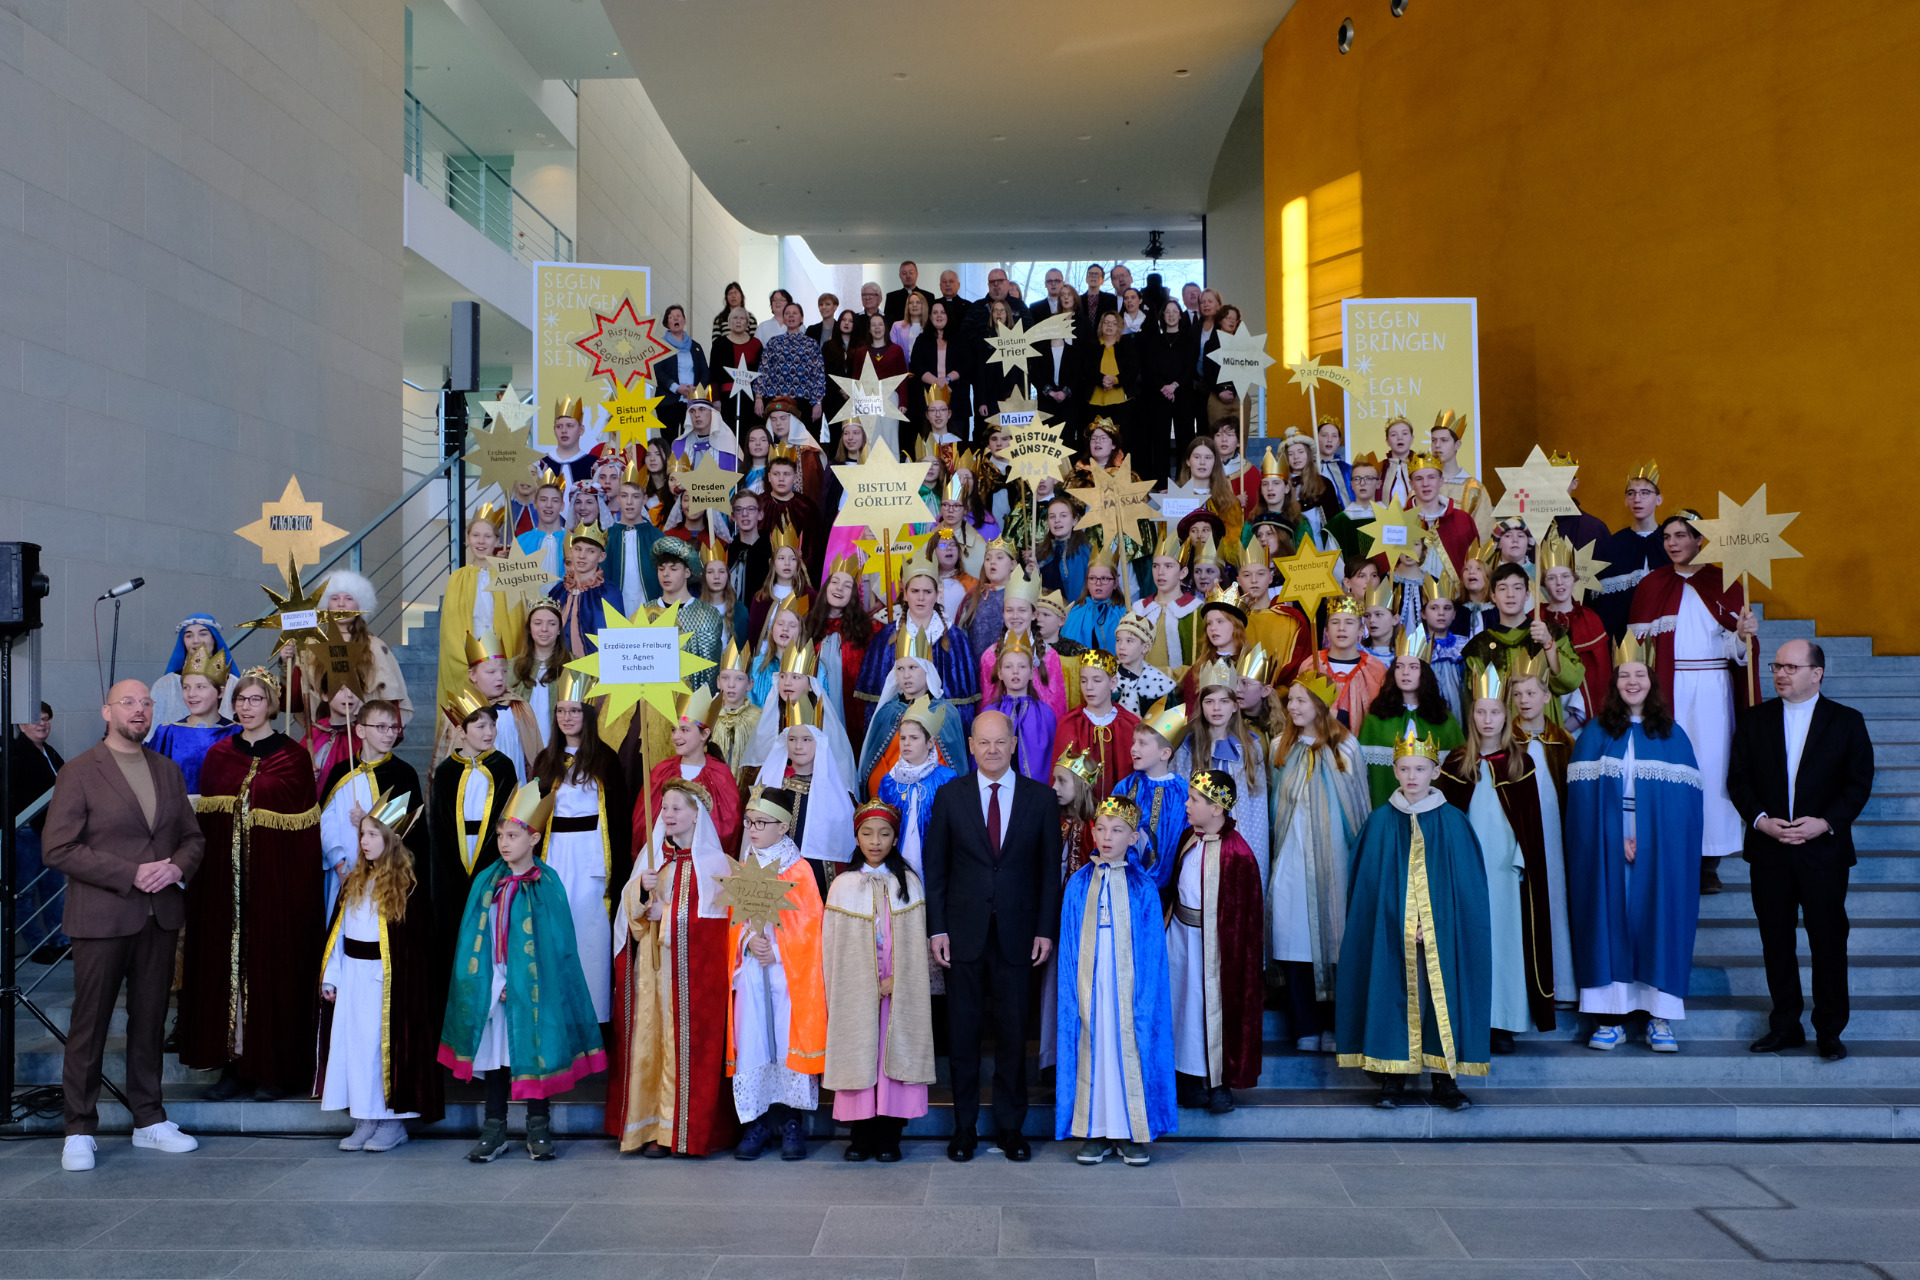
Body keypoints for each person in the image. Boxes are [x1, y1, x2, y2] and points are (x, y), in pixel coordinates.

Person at [41, 680, 203, 1172]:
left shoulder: (167, 770)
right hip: (103, 916)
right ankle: (78, 1129)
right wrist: (130, 874)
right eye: (128, 702)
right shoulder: (78, 771)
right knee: (89, 1026)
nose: (139, 710)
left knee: (150, 1021)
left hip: (159, 917)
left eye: (146, 703)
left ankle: (149, 1121)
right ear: (106, 711)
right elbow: (58, 848)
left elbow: (193, 839)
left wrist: (176, 867)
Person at [924, 710, 1063, 1161]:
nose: (992, 750)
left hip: (1019, 936)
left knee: (1011, 1034)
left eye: (1000, 742)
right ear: (970, 746)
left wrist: (1045, 930)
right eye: (983, 742)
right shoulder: (949, 796)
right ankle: (964, 1128)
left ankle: (1010, 1128)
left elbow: (1048, 874)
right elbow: (937, 869)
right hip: (962, 935)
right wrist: (937, 929)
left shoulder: (1040, 800)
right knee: (962, 1036)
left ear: (1014, 744)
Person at [178, 668, 322, 1102]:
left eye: (256, 699)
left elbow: (304, 839)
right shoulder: (219, 756)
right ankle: (233, 1066)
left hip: (274, 889)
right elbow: (204, 831)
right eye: (240, 699)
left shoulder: (294, 757)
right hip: (223, 891)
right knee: (225, 971)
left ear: (271, 705)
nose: (246, 706)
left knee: (272, 970)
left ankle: (273, 1069)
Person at [441, 782, 606, 1161]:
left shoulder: (547, 884)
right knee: (496, 1061)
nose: (503, 842)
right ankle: (494, 1128)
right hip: (493, 990)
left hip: (535, 992)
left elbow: (556, 947)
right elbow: (475, 939)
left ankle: (538, 1125)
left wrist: (522, 983)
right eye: (500, 835)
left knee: (537, 1053)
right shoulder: (486, 882)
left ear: (533, 838)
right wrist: (496, 983)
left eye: (512, 835)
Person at [1728, 639, 1876, 1060]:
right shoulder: (1755, 720)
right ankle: (1785, 1025)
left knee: (1828, 940)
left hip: (1823, 852)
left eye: (1792, 667)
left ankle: (1829, 1029)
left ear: (1817, 673)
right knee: (1775, 941)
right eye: (1777, 665)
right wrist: (1761, 821)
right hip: (1770, 849)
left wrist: (1824, 823)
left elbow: (1858, 783)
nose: (1780, 673)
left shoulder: (1847, 721)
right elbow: (1738, 780)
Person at [1336, 727, 1491, 1110]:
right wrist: (1404, 921)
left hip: (1442, 935)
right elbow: (1369, 887)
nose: (1411, 777)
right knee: (1393, 994)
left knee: (1442, 997)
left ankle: (1445, 1080)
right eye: (1404, 769)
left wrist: (1432, 922)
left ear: (1435, 772)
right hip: (1391, 933)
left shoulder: (1454, 822)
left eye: (1420, 769)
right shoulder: (1380, 822)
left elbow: (1466, 890)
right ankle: (1393, 1078)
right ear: (1394, 771)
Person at [1565, 636, 1705, 1052]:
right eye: (1623, 675)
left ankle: (1659, 1018)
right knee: (1609, 921)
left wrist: (1648, 840)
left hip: (1659, 849)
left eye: (1639, 674)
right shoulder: (1595, 733)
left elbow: (1684, 809)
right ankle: (1610, 1018)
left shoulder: (1673, 735)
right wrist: (1614, 838)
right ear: (1614, 684)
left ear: (1651, 682)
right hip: (1606, 846)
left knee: (1657, 920)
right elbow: (1582, 802)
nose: (1631, 681)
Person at [1628, 509, 1758, 894]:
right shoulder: (1652, 584)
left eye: (1681, 535)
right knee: (1668, 765)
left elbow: (1740, 652)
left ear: (1699, 539)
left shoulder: (1725, 581)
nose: (1672, 542)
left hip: (1714, 689)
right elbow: (1637, 649)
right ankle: (1667, 851)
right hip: (1667, 689)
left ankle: (1708, 860)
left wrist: (1744, 635)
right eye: (1667, 536)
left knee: (1712, 769)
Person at [607, 777, 739, 1156]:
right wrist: (640, 891)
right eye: (664, 808)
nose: (667, 815)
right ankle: (650, 1125)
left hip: (691, 977)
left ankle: (679, 1130)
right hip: (653, 972)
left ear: (697, 816)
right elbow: (628, 920)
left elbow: (718, 929)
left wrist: (670, 915)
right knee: (651, 1041)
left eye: (677, 808)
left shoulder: (716, 865)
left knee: (682, 1045)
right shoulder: (651, 859)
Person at [1438, 666, 1557, 1051]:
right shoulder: (1457, 762)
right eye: (1479, 712)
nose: (1487, 720)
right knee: (1469, 941)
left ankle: (1502, 1022)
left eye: (1494, 712)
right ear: (1470, 716)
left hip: (1507, 871)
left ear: (1506, 716)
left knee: (1506, 944)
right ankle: (1468, 1018)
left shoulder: (1521, 762)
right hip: (1467, 871)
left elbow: (1531, 824)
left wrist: (1522, 859)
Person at [317, 791, 443, 1152]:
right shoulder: (355, 881)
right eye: (363, 834)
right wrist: (333, 976)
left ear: (392, 840)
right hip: (353, 978)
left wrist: (394, 977)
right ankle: (365, 1118)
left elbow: (414, 948)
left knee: (381, 1049)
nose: (364, 841)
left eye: (373, 834)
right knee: (355, 1048)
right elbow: (339, 933)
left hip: (386, 983)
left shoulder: (408, 888)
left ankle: (392, 1121)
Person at [1055, 794, 1176, 1166]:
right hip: (1091, 985)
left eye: (1118, 831)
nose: (1107, 838)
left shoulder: (1142, 886)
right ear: (1092, 832)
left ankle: (1130, 1131)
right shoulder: (1078, 883)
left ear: (1133, 836)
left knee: (1127, 1047)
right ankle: (1095, 1130)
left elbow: (1154, 947)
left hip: (1130, 988)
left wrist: (1145, 993)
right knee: (1096, 1046)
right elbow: (1070, 940)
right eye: (1102, 829)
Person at [823, 799, 935, 1162]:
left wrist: (898, 979)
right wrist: (854, 983)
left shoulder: (910, 884)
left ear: (895, 838)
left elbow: (916, 944)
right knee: (861, 1056)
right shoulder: (841, 885)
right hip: (856, 990)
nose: (875, 841)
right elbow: (831, 946)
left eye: (884, 834)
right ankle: (860, 1135)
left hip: (896, 991)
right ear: (856, 837)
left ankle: (890, 1135)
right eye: (867, 833)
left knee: (894, 1058)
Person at [1270, 674, 1371, 1053]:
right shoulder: (1280, 746)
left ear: (1320, 704)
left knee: (1336, 940)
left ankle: (1336, 1023)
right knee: (1294, 938)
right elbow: (1273, 804)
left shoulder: (1347, 748)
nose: (1293, 707)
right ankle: (1304, 1025)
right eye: (1290, 700)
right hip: (1292, 857)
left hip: (1335, 861)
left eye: (1300, 700)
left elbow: (1358, 807)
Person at [730, 786, 829, 1161]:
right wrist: (746, 943)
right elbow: (732, 925)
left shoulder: (799, 871)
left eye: (762, 823)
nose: (753, 829)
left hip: (788, 977)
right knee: (753, 1040)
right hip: (752, 972)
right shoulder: (744, 867)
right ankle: (754, 1125)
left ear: (784, 826)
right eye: (750, 822)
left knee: (786, 1041)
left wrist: (781, 946)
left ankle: (791, 1123)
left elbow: (811, 928)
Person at [530, 673, 629, 1024]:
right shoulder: (545, 759)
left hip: (591, 858)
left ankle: (594, 1014)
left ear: (587, 714)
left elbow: (617, 818)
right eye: (561, 710)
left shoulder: (605, 759)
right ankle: (556, 1014)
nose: (567, 717)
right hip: (555, 854)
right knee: (555, 931)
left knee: (590, 933)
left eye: (574, 710)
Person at [1165, 769, 1265, 1116]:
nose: (1187, 805)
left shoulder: (1238, 854)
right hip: (1181, 939)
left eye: (1195, 800)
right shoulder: (1187, 839)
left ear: (1217, 808)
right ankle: (1188, 1080)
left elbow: (1247, 919)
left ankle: (1220, 1083)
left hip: (1217, 950)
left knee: (1214, 1010)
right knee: (1184, 1010)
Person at [428, 692, 517, 991]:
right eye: (480, 726)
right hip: (453, 866)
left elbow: (507, 820)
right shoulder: (445, 773)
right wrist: (450, 873)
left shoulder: (504, 768)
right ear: (461, 731)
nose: (489, 732)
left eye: (492, 724)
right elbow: (439, 829)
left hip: (490, 863)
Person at [318, 699, 423, 921]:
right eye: (381, 727)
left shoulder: (403, 774)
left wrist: (368, 821)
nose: (390, 734)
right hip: (343, 873)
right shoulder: (341, 772)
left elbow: (410, 831)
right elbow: (326, 822)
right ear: (361, 730)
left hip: (386, 876)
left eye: (394, 727)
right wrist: (339, 864)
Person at [1462, 563, 1585, 717]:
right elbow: (1474, 706)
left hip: (1545, 735)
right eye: (1502, 588)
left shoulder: (1552, 633)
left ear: (1527, 594)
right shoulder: (1480, 646)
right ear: (1493, 596)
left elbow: (1571, 682)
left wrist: (1548, 643)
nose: (1510, 594)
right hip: (1502, 737)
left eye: (1517, 587)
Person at [1357, 630, 1465, 806]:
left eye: (1413, 667)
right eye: (1399, 666)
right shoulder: (1376, 717)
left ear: (1425, 673)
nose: (1405, 672)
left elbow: (1459, 773)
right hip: (1386, 807)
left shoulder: (1443, 718)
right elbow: (1365, 775)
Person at [1108, 698, 1192, 892]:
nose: (1133, 748)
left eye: (1143, 743)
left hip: (1169, 889)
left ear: (1164, 754)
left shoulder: (1183, 792)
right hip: (1126, 884)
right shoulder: (1125, 788)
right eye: (1134, 741)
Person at [10, 700, 69, 962]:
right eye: (37, 719)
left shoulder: (50, 752)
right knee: (23, 892)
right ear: (21, 724)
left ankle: (59, 940)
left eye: (46, 718)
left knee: (53, 889)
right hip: (26, 833)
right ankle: (37, 944)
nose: (42, 724)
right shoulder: (15, 753)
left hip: (52, 833)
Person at [146, 649, 238, 797]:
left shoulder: (236, 733)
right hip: (179, 816)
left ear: (221, 692)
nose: (191, 694)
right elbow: (152, 783)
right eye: (186, 687)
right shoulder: (168, 733)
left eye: (200, 687)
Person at [1051, 648, 1139, 796]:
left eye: (1097, 680)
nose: (1089, 687)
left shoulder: (1130, 724)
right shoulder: (1069, 724)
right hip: (1078, 813)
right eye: (1083, 680)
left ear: (1113, 682)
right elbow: (1058, 777)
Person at [1597, 461, 1669, 641]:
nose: (1637, 499)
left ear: (1658, 499)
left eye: (1645, 493)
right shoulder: (1612, 546)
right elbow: (1604, 607)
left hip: (1666, 636)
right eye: (1632, 493)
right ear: (1626, 500)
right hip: (1624, 640)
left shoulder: (1670, 542)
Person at [1307, 598, 1388, 729]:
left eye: (1349, 623)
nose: (1341, 628)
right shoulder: (1312, 664)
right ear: (1326, 631)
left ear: (1361, 631)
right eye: (1335, 622)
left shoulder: (1375, 669)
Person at [147, 613, 237, 731]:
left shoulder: (233, 683)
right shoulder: (165, 684)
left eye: (203, 634)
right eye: (188, 636)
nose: (196, 640)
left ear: (214, 639)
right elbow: (152, 730)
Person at [757, 301, 829, 425]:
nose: (791, 316)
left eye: (794, 313)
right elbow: (763, 371)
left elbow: (819, 374)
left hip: (805, 401)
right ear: (783, 318)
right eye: (787, 313)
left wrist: (818, 402)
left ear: (801, 318)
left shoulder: (811, 343)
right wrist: (758, 398)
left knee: (804, 441)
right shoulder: (774, 342)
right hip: (777, 399)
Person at [1111, 614, 1177, 716]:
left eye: (1129, 641)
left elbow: (1170, 724)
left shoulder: (1160, 684)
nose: (1121, 646)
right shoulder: (1106, 678)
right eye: (1118, 640)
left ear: (1145, 648)